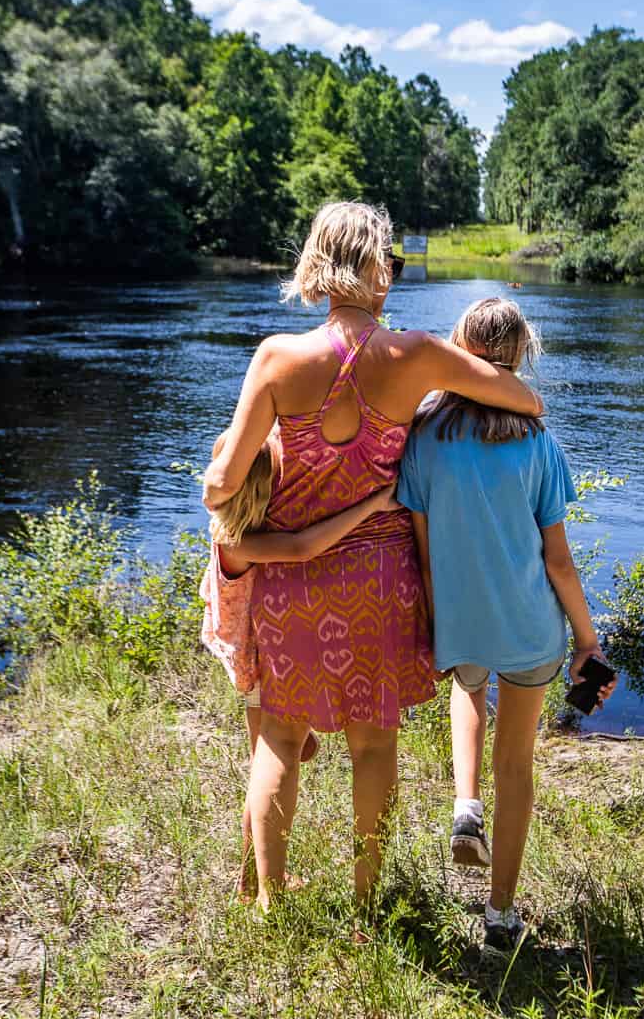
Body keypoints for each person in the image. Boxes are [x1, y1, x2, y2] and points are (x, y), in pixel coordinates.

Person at [202, 201, 544, 914]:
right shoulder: (416, 354)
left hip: (289, 581)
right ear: (378, 273)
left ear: (319, 268)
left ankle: (269, 901)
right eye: (390, 260)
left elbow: (219, 487)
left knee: (278, 740)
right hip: (379, 582)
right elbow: (523, 400)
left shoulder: (276, 358)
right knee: (373, 747)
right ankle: (365, 904)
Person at [397, 297, 617, 956]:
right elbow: (559, 561)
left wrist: (438, 625)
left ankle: (465, 805)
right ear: (520, 357)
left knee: (468, 689)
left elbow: (424, 550)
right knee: (517, 766)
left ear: (460, 348)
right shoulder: (537, 442)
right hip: (530, 627)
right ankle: (499, 917)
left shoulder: (425, 435)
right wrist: (588, 642)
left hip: (461, 619)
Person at [201, 427, 401, 896]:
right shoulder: (247, 542)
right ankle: (256, 881)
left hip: (253, 653)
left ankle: (254, 883)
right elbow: (303, 547)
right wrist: (370, 505)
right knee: (267, 759)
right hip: (258, 659)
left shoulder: (229, 530)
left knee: (268, 758)